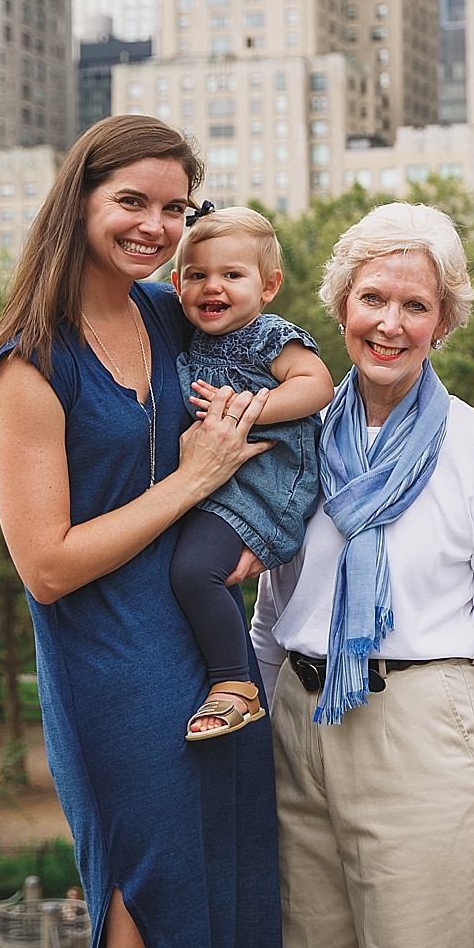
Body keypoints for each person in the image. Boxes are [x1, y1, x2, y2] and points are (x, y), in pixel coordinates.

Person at [0, 115, 282, 948]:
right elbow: (45, 565)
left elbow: (284, 365)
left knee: (233, 877)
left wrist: (255, 520)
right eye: (132, 201)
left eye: (176, 208)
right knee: (148, 899)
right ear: (78, 200)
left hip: (214, 646)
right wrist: (191, 482)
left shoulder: (170, 309)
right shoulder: (27, 365)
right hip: (111, 665)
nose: (155, 225)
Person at [250, 202, 474, 948]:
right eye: (373, 297)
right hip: (296, 725)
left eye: (417, 305)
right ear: (341, 304)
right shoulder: (289, 440)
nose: (390, 323)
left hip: (423, 731)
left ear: (443, 322)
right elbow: (271, 616)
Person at [169, 204, 335, 742]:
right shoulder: (192, 341)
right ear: (175, 284)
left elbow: (316, 384)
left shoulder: (268, 335)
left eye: (231, 275)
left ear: (268, 286)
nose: (211, 287)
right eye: (197, 275)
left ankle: (234, 684)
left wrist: (248, 408)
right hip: (222, 485)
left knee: (195, 572)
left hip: (267, 484)